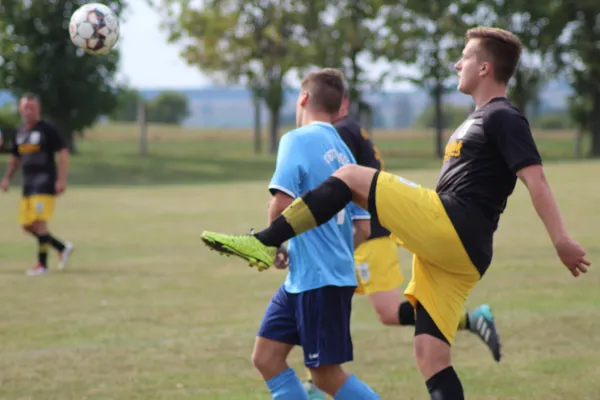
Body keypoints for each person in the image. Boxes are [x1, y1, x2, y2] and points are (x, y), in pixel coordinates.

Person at [200, 27, 591, 399]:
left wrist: (560, 239)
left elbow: (535, 179)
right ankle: (266, 242)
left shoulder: (503, 115)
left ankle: (264, 242)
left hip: (452, 224)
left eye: (465, 57)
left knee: (351, 176)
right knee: (430, 357)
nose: (458, 64)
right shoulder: (475, 118)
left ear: (485, 67)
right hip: (460, 255)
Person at [303, 89, 501, 400]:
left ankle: (470, 319)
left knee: (387, 311)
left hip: (368, 235)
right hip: (366, 230)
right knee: (324, 298)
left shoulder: (341, 131)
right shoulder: (351, 129)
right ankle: (316, 382)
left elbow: (335, 182)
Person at [203, 68, 381, 399]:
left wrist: (275, 245)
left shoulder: (295, 139)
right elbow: (364, 227)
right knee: (266, 357)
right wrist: (321, 252)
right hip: (312, 276)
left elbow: (282, 201)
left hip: (319, 279)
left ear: (302, 98)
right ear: (337, 106)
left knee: (326, 376)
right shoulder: (344, 151)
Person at [1, 93, 74, 276]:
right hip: (28, 184)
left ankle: (42, 265)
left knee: (39, 223)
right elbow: (16, 158)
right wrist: (7, 178)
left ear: (38, 109)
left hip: (45, 182)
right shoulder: (19, 132)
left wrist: (62, 179)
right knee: (26, 225)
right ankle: (61, 247)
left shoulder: (47, 129)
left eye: (32, 107)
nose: (28, 111)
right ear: (20, 109)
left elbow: (63, 152)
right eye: (25, 107)